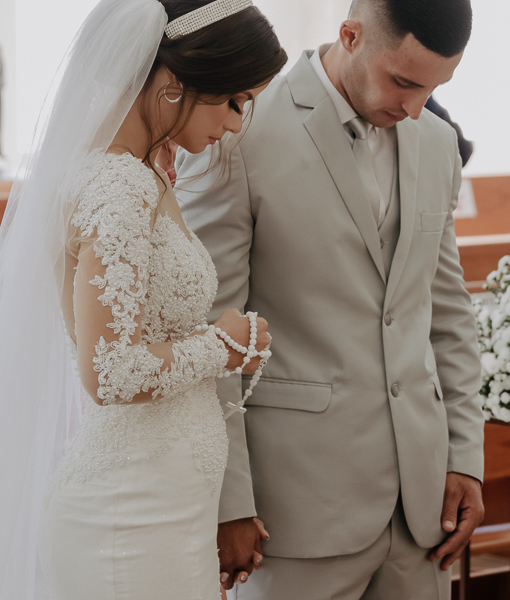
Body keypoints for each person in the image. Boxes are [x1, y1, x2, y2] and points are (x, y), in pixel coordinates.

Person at [176, 0, 485, 598]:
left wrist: (465, 457)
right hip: (294, 509)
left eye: (434, 88)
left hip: (422, 514)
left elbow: (448, 315)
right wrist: (227, 499)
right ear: (350, 35)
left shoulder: (437, 141)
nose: (415, 107)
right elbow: (209, 329)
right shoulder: (239, 130)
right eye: (403, 81)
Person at [0, 1, 285, 599]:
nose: (236, 124)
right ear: (173, 83)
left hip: (160, 506)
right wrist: (224, 345)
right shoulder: (119, 186)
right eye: (233, 100)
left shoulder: (135, 173)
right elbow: (109, 370)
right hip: (129, 519)